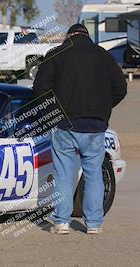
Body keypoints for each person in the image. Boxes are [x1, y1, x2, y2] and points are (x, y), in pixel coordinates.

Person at [33, 24, 127, 234]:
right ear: (87, 36)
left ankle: (62, 222)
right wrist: (102, 108)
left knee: (63, 174)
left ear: (69, 37)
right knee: (94, 174)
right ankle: (94, 224)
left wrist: (54, 112)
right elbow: (121, 89)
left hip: (65, 125)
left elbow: (39, 89)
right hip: (96, 125)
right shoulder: (104, 56)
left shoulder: (56, 54)